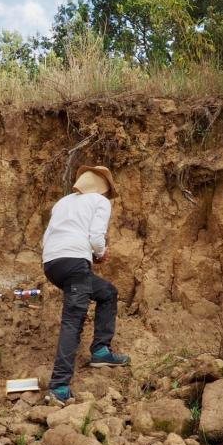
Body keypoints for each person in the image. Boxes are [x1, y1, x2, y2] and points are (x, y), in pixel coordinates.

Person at [41, 165, 130, 405]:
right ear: (103, 188)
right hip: (75, 262)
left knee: (107, 293)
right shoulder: (99, 202)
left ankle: (101, 351)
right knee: (73, 319)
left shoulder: (62, 202)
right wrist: (100, 254)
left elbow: (47, 237)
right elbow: (95, 237)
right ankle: (59, 386)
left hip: (52, 264)